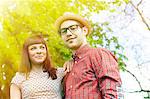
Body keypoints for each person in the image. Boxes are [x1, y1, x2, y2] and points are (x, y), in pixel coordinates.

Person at [55, 12, 123, 99]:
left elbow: (114, 92)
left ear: (84, 31)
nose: (68, 33)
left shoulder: (99, 54)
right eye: (64, 31)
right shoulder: (68, 68)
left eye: (73, 28)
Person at [10, 34, 69, 99]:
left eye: (42, 47)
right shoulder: (19, 79)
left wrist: (71, 61)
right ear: (27, 53)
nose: (39, 51)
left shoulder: (59, 73)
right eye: (33, 48)